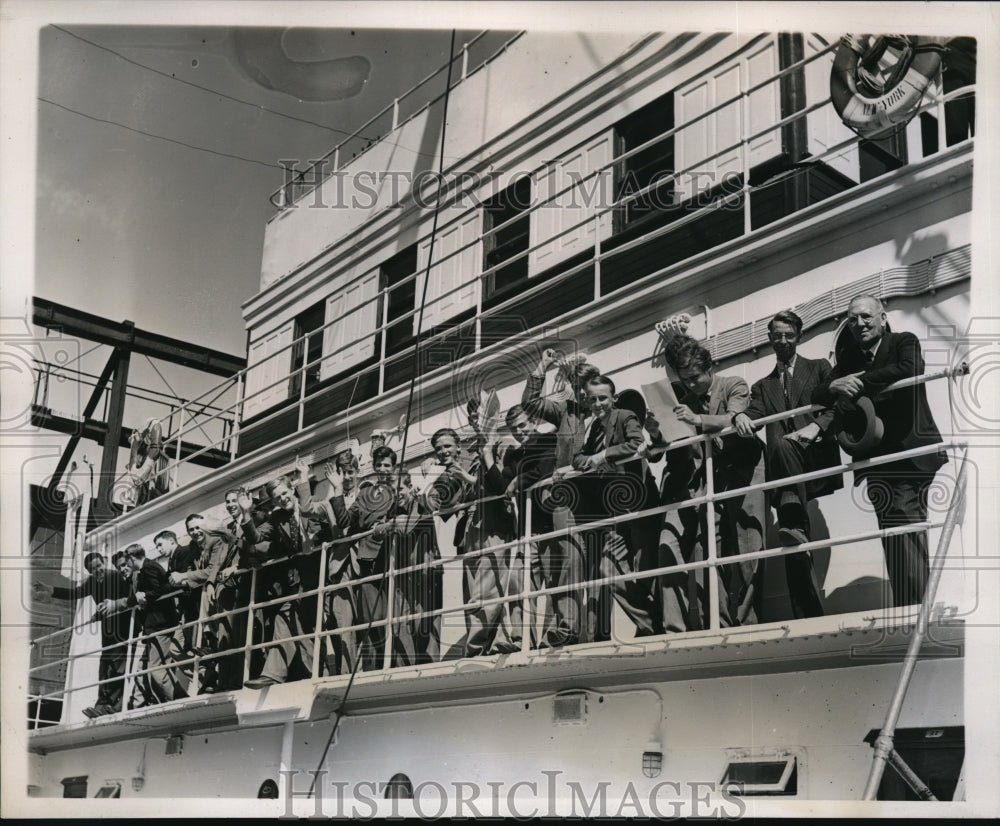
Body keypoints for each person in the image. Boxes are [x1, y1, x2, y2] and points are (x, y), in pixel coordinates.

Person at [812, 294, 946, 607]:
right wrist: (834, 386)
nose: (859, 324)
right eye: (853, 318)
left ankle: (918, 609)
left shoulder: (903, 341)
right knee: (892, 534)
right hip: (875, 461)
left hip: (908, 454)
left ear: (882, 318)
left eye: (866, 317)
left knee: (906, 528)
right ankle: (908, 608)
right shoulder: (848, 357)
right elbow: (817, 394)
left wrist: (858, 384)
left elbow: (910, 368)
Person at [648, 336, 765, 631]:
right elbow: (678, 441)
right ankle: (719, 622)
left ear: (710, 367)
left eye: (695, 378)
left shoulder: (734, 384)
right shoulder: (685, 402)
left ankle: (749, 622)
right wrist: (657, 434)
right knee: (709, 551)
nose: (689, 385)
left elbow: (734, 418)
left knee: (748, 549)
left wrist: (697, 418)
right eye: (684, 380)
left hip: (743, 472)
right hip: (708, 481)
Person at [732, 310, 842, 619]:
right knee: (793, 539)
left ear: (799, 337)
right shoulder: (763, 386)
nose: (783, 341)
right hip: (786, 466)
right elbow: (754, 412)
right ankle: (805, 614)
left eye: (789, 335)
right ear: (769, 339)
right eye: (777, 335)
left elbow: (837, 405)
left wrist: (816, 427)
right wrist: (739, 416)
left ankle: (791, 512)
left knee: (781, 449)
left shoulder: (819, 368)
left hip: (815, 454)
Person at [521, 348, 603, 646]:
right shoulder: (564, 411)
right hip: (566, 499)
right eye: (577, 389)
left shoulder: (604, 409)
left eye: (586, 389)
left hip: (597, 496)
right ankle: (566, 629)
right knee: (568, 562)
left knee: (597, 565)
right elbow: (529, 403)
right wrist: (542, 366)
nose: (582, 395)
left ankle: (596, 632)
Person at [571, 375, 663, 640]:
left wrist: (604, 455)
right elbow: (577, 459)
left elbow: (636, 442)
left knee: (645, 568)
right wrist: (595, 460)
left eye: (603, 398)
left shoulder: (624, 415)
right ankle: (650, 621)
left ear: (612, 397)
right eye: (593, 399)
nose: (598, 403)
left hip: (640, 501)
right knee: (606, 568)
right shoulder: (593, 428)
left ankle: (650, 628)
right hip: (616, 509)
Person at [240, 459, 333, 688]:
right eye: (276, 498)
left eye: (284, 493)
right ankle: (274, 674)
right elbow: (256, 537)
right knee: (286, 618)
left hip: (321, 572)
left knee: (313, 625)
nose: (282, 499)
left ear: (292, 489)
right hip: (299, 578)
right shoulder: (277, 518)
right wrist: (246, 512)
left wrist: (303, 479)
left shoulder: (312, 504)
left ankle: (319, 672)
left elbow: (325, 527)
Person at [328, 445, 403, 671]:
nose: (382, 469)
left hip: (393, 556)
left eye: (387, 465)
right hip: (369, 559)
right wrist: (338, 489)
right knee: (371, 616)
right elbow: (344, 521)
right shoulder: (365, 494)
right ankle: (375, 666)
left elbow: (402, 513)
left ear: (394, 467)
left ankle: (397, 664)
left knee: (394, 614)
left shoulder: (399, 488)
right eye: (378, 465)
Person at [33, 551, 130, 718]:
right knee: (105, 665)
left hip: (122, 626)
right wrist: (50, 589)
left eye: (99, 566)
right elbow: (75, 593)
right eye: (93, 569)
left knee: (117, 665)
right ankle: (102, 702)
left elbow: (126, 598)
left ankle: (113, 705)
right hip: (107, 628)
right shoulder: (92, 582)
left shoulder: (115, 576)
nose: (98, 571)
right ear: (90, 571)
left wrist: (108, 610)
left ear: (104, 563)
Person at [463, 407, 524, 656]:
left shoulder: (506, 445)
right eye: (472, 420)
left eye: (479, 419)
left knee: (490, 589)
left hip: (498, 524)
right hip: (477, 529)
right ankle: (493, 640)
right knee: (485, 589)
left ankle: (477, 646)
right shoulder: (475, 452)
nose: (476, 424)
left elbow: (501, 485)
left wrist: (488, 456)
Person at [169, 513, 234, 692]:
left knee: (213, 640)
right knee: (177, 649)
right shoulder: (192, 546)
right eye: (191, 529)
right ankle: (208, 676)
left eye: (198, 527)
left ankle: (214, 675)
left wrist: (185, 576)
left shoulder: (215, 542)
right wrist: (184, 581)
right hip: (198, 601)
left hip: (216, 593)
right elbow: (195, 570)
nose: (196, 532)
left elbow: (211, 570)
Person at [121, 543, 190, 703]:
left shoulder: (148, 568)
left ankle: (179, 699)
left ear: (131, 558)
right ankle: (165, 699)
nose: (127, 565)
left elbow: (163, 588)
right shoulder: (149, 567)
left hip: (160, 624)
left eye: (126, 561)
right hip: (156, 625)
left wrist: (144, 595)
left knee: (156, 670)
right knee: (155, 668)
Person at [157, 529, 199, 655]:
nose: (158, 549)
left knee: (193, 645)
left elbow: (182, 580)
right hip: (185, 610)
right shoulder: (171, 559)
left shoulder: (184, 552)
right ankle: (204, 673)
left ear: (171, 541)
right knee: (176, 650)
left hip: (193, 605)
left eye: (160, 544)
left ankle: (206, 672)